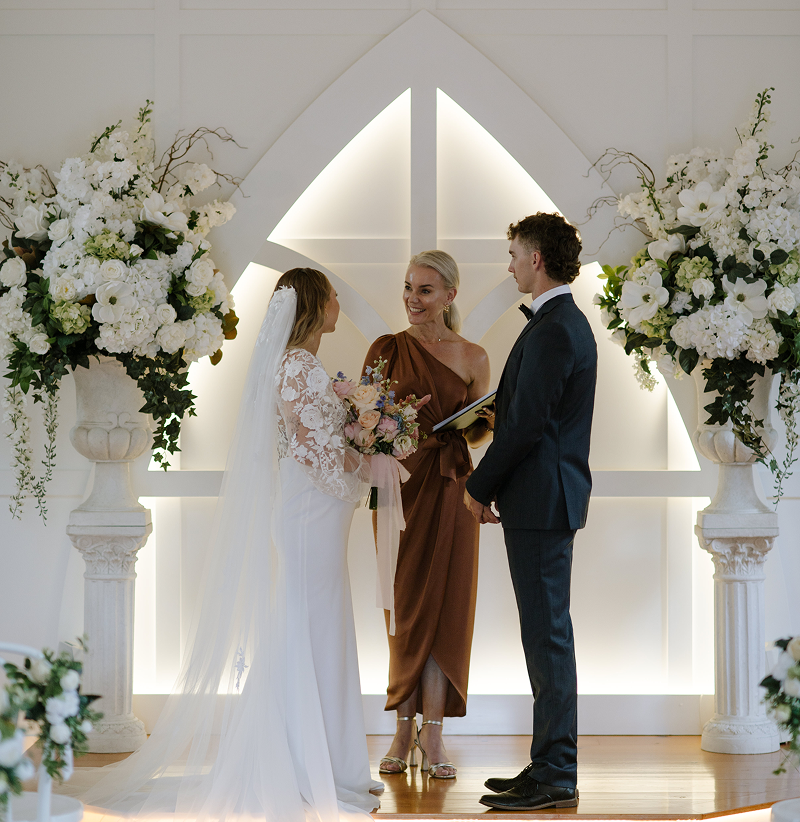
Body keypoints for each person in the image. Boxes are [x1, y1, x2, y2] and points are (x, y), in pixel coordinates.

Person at [82, 268, 382, 822]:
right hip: (308, 509)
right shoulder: (295, 366)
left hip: (318, 510)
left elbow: (319, 440)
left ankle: (329, 762)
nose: (341, 301)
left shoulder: (302, 365)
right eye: (334, 294)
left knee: (321, 625)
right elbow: (309, 445)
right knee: (306, 623)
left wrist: (362, 455)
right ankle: (303, 764)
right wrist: (366, 467)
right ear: (316, 304)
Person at [464, 213, 597, 811]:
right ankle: (546, 763)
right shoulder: (557, 325)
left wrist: (478, 484)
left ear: (537, 259)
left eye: (514, 252)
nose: (510, 263)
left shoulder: (554, 329)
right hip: (540, 501)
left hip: (542, 503)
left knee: (548, 640)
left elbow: (526, 427)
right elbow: (524, 414)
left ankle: (557, 773)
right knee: (544, 639)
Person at [363, 250, 491, 779]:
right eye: (409, 289)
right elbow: (365, 417)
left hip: (452, 487)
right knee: (403, 606)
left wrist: (468, 426)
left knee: (447, 609)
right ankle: (400, 727)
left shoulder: (473, 356)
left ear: (450, 296)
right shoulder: (386, 348)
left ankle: (433, 737)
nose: (414, 300)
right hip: (399, 489)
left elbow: (485, 429)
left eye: (426, 291)